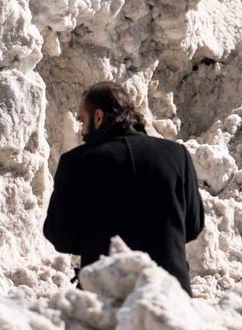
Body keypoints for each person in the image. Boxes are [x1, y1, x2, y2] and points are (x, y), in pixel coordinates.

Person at [43, 81, 205, 294]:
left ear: (98, 117)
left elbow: (60, 236)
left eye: (82, 120)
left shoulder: (77, 162)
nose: (82, 130)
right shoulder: (176, 155)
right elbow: (193, 225)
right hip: (169, 295)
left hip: (106, 295)